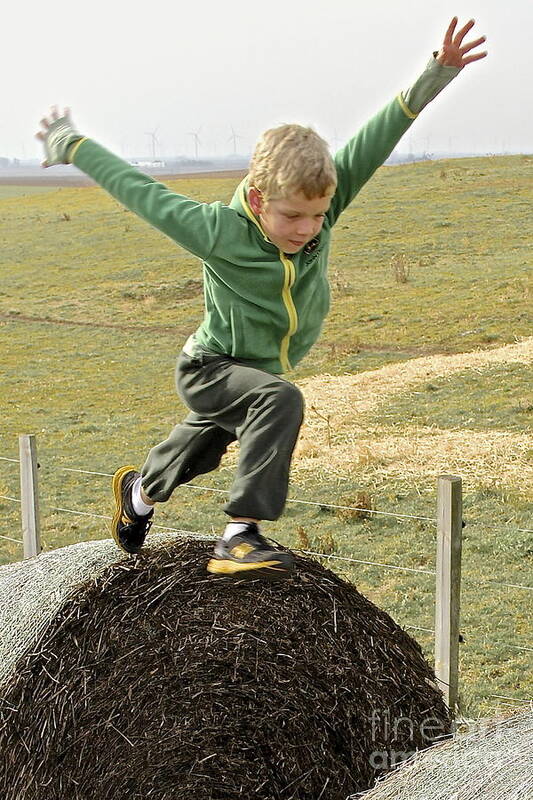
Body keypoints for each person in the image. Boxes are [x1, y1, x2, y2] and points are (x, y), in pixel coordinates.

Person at [37, 17, 486, 579]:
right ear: (257, 197)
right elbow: (139, 190)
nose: (307, 229)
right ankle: (240, 535)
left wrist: (435, 74)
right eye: (292, 216)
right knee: (280, 401)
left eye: (319, 215)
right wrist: (71, 143)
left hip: (256, 369)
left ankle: (137, 496)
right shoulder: (218, 230)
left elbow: (376, 138)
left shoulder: (321, 209)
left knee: (200, 449)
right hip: (211, 367)